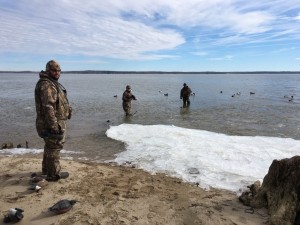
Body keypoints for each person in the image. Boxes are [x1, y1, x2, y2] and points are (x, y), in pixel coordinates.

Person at [35, 60, 72, 181]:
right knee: (54, 147)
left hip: (50, 122)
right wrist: (54, 126)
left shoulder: (51, 83)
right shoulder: (47, 85)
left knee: (50, 146)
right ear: (48, 70)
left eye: (58, 70)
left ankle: (46, 171)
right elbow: (48, 107)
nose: (57, 73)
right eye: (54, 70)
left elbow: (56, 103)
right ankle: (53, 174)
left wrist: (68, 110)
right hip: (51, 123)